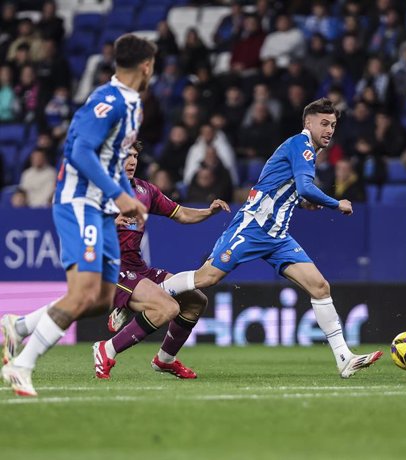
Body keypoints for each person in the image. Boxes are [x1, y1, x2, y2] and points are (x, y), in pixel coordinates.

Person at [156, 98, 382, 378]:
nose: (329, 130)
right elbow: (305, 186)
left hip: (277, 235)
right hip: (252, 227)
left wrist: (303, 201)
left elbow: (288, 188)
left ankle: (344, 358)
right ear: (307, 123)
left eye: (333, 125)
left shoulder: (303, 149)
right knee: (206, 278)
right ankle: (143, 296)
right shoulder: (302, 146)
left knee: (320, 287)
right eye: (323, 123)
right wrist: (337, 203)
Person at [1, 34, 155, 397]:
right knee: (82, 292)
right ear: (146, 65)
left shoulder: (133, 105)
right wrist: (120, 194)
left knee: (100, 298)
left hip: (102, 208)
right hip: (78, 202)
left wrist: (121, 198)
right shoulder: (108, 99)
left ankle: (16, 328)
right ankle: (22, 366)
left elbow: (110, 160)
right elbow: (80, 152)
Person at [93, 141, 230, 379]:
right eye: (126, 156)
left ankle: (165, 360)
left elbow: (181, 213)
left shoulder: (145, 191)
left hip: (136, 267)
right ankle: (107, 349)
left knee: (196, 301)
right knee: (167, 307)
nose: (132, 161)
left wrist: (209, 212)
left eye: (135, 156)